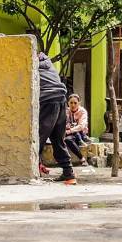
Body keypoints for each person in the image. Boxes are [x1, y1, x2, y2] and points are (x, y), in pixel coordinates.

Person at [37, 51, 75, 183]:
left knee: (38, 138)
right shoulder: (48, 63)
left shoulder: (32, 64)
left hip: (47, 100)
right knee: (58, 139)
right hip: (61, 100)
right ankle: (69, 173)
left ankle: (35, 169)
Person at [65, 93, 90, 165]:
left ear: (79, 103)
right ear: (68, 103)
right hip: (69, 133)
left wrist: (69, 130)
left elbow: (81, 126)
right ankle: (82, 158)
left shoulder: (82, 111)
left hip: (80, 133)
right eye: (71, 103)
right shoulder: (66, 111)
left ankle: (81, 141)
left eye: (75, 103)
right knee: (68, 140)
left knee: (75, 132)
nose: (73, 105)